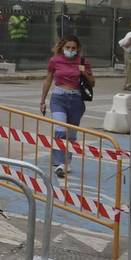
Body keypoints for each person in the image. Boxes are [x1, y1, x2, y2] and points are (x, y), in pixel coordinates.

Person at [41, 35, 93, 180]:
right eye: (68, 47)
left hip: (76, 100)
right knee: (60, 129)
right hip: (59, 98)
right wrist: (42, 101)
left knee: (71, 134)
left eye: (73, 48)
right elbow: (48, 80)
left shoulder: (83, 62)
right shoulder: (55, 60)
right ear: (62, 48)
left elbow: (92, 82)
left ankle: (66, 161)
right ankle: (60, 163)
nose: (70, 50)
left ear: (78, 49)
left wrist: (84, 73)